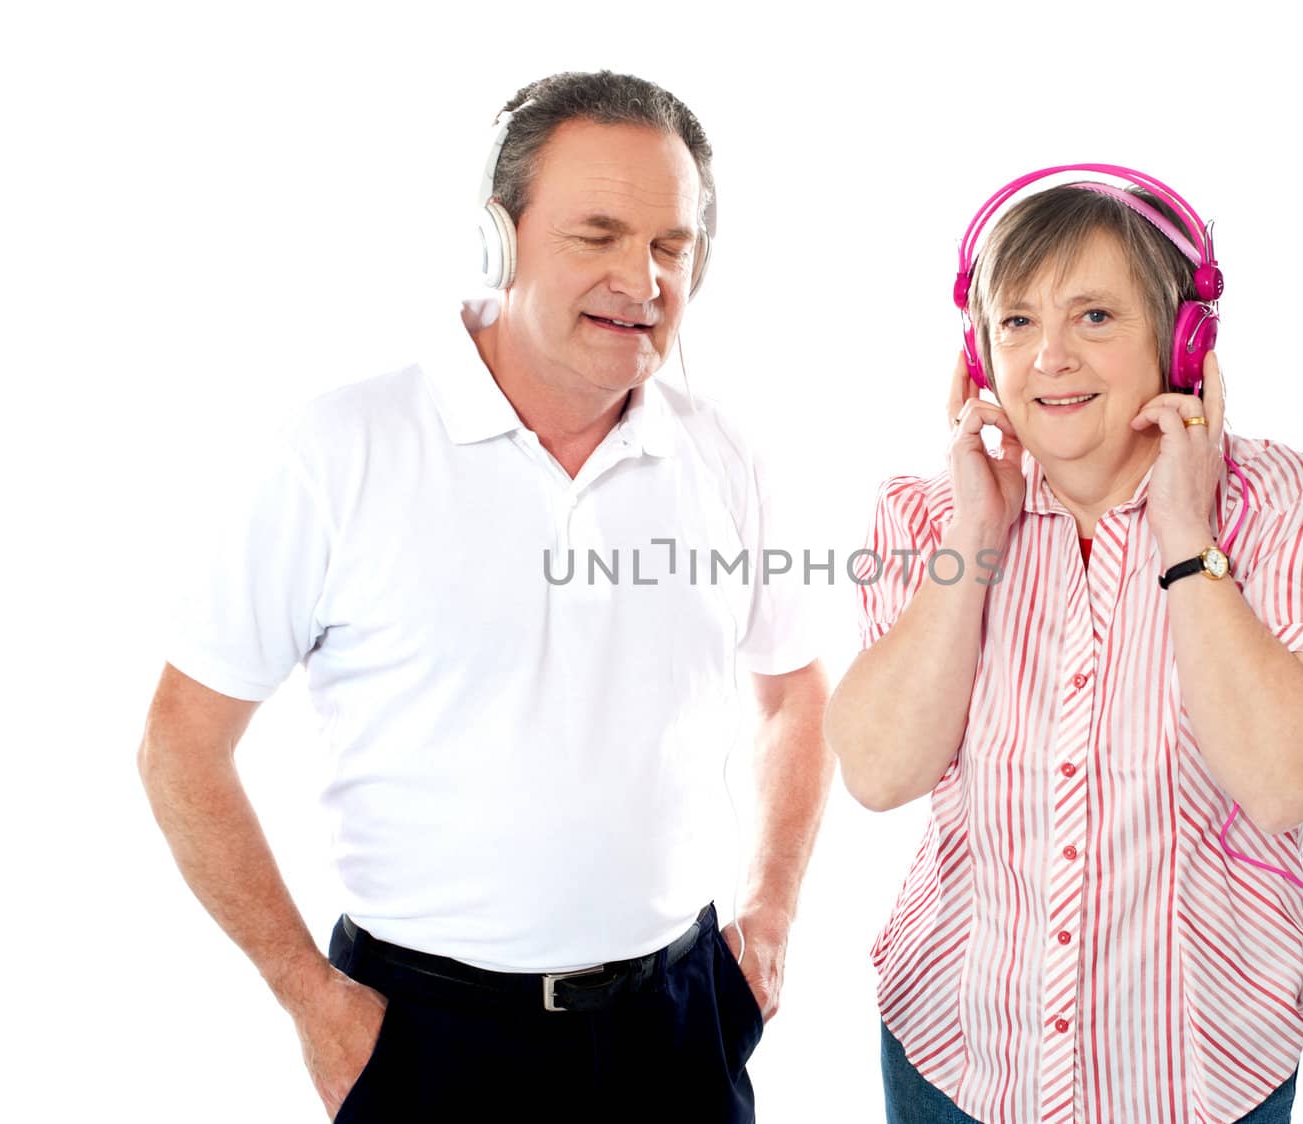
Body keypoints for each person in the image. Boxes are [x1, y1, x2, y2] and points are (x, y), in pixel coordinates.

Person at [137, 70, 832, 1123]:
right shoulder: (341, 450)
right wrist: (312, 1002)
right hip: (426, 1036)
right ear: (494, 241)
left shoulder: (724, 453)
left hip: (677, 1022)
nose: (640, 277)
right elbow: (181, 740)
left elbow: (794, 692)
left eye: (670, 244)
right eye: (595, 234)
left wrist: (769, 918)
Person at [825, 167, 1303, 1124]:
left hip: (1199, 1072)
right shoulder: (929, 518)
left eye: (1094, 316)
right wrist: (973, 540)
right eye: (1016, 322)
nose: (1049, 357)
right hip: (959, 1058)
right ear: (976, 353)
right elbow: (880, 772)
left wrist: (1185, 538)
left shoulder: (1294, 509)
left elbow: (1284, 779)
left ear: (1184, 343)